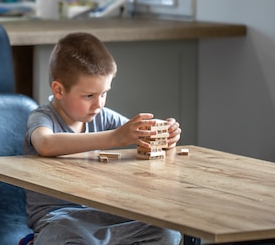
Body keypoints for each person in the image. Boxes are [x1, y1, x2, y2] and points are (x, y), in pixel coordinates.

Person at [23, 32, 183, 245]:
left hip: (102, 212)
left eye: (104, 93)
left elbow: (136, 133)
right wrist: (116, 137)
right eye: (89, 96)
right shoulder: (42, 117)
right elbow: (46, 144)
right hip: (59, 218)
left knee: (166, 232)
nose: (99, 104)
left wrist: (163, 134)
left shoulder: (102, 115)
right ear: (59, 90)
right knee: (66, 237)